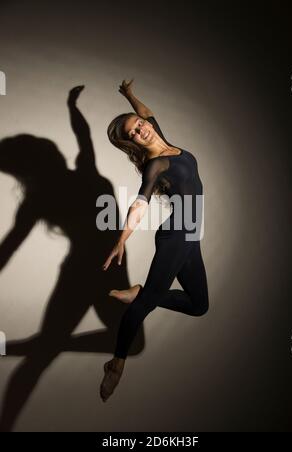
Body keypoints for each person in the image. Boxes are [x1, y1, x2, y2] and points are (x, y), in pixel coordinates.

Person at [100, 79, 209, 402]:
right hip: (177, 233)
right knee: (146, 305)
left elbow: (147, 113)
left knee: (199, 306)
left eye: (138, 125)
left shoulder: (165, 142)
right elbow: (140, 203)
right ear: (130, 143)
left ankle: (139, 292)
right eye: (131, 134)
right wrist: (122, 239)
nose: (139, 131)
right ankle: (116, 364)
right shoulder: (156, 164)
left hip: (191, 233)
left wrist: (129, 96)